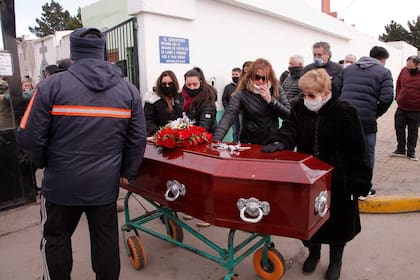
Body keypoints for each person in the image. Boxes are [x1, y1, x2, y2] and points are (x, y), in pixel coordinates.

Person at [16, 27, 147, 280]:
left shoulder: (50, 86)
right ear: (102, 53)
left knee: (55, 238)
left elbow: (28, 136)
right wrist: (126, 172)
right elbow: (137, 139)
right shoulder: (128, 91)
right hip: (104, 186)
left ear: (73, 53)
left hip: (60, 185)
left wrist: (46, 163)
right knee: (106, 242)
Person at [262, 69, 372, 280]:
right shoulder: (299, 108)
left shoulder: (345, 111)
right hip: (309, 176)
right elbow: (290, 128)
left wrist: (358, 181)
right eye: (304, 94)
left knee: (338, 221)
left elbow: (358, 148)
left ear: (325, 92)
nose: (306, 99)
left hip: (339, 178)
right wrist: (280, 141)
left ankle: (336, 260)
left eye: (311, 95)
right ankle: (314, 253)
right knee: (311, 219)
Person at [335, 46, 393, 200]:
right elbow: (387, 98)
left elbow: (335, 89)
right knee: (367, 153)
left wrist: (342, 108)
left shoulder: (348, 69)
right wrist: (375, 113)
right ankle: (363, 189)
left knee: (344, 150)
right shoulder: (384, 72)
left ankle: (343, 183)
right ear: (383, 59)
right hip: (366, 120)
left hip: (345, 117)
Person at [213, 58, 290, 144]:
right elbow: (228, 116)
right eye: (257, 77)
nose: (260, 81)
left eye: (264, 78)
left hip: (271, 140)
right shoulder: (242, 92)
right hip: (250, 141)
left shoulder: (276, 88)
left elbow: (288, 115)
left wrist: (271, 101)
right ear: (251, 76)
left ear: (270, 77)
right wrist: (216, 140)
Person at [390, 55, 420, 161]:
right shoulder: (404, 71)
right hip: (401, 107)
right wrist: (398, 97)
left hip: (416, 110)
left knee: (413, 131)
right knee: (399, 128)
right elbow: (398, 84)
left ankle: (411, 152)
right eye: (407, 66)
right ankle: (400, 149)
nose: (408, 69)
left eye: (411, 67)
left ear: (418, 65)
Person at [144, 70, 183, 136]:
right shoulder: (152, 99)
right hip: (159, 137)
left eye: (170, 84)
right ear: (160, 84)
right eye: (164, 84)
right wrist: (158, 133)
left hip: (179, 136)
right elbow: (147, 120)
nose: (167, 86)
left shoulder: (180, 97)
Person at [182, 67, 217, 133]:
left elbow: (204, 126)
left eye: (195, 84)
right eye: (188, 85)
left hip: (204, 137)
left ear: (200, 82)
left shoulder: (208, 99)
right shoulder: (182, 96)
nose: (192, 88)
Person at [222, 67, 241, 142]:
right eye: (233, 74)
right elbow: (224, 99)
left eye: (236, 74)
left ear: (241, 75)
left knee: (243, 132)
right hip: (233, 113)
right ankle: (235, 147)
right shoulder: (228, 87)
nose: (234, 76)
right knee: (235, 132)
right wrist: (227, 109)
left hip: (243, 113)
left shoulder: (244, 86)